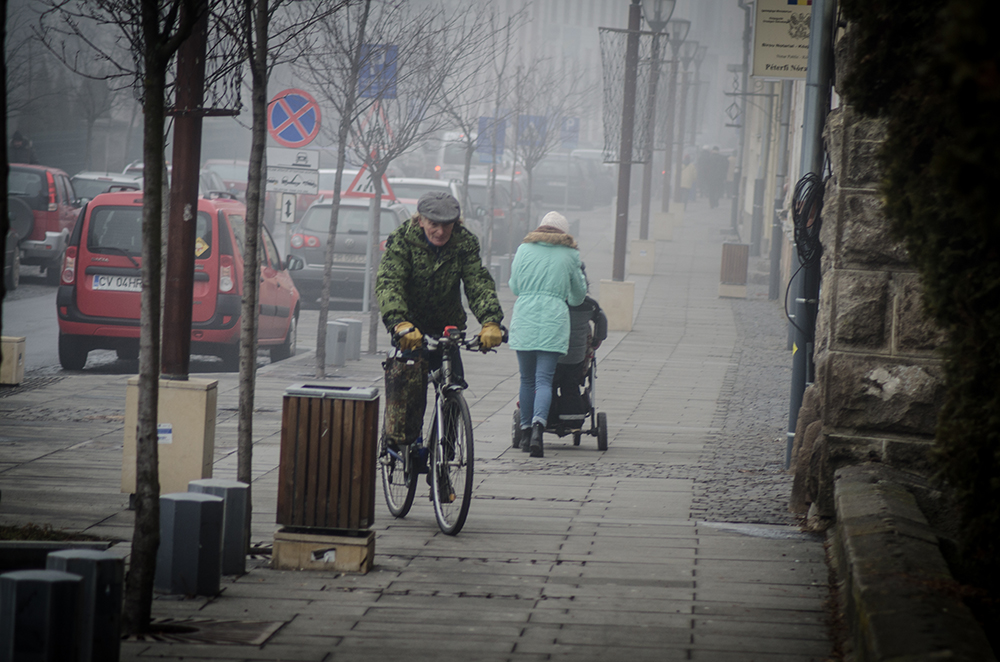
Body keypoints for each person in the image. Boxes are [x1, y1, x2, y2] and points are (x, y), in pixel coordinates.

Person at [375, 191, 504, 447]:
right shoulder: (402, 241)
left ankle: (445, 461)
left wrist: (491, 321)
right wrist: (399, 321)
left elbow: (477, 282)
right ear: (420, 220)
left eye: (447, 225)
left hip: (447, 328)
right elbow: (389, 282)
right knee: (410, 394)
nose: (441, 232)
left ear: (456, 223)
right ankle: (406, 447)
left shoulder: (464, 242)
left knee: (453, 385)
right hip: (410, 329)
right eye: (434, 224)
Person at [508, 211, 588, 458]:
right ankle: (537, 430)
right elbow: (578, 295)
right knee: (544, 379)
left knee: (527, 379)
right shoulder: (570, 254)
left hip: (526, 318)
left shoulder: (523, 250)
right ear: (564, 232)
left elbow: (514, 286)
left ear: (540, 228)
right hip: (554, 320)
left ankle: (523, 431)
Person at [550, 293, 608, 430]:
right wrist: (598, 338)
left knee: (548, 385)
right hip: (577, 358)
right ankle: (573, 420)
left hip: (552, 355)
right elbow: (601, 319)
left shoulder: (552, 301)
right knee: (571, 386)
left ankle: (548, 417)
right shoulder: (589, 305)